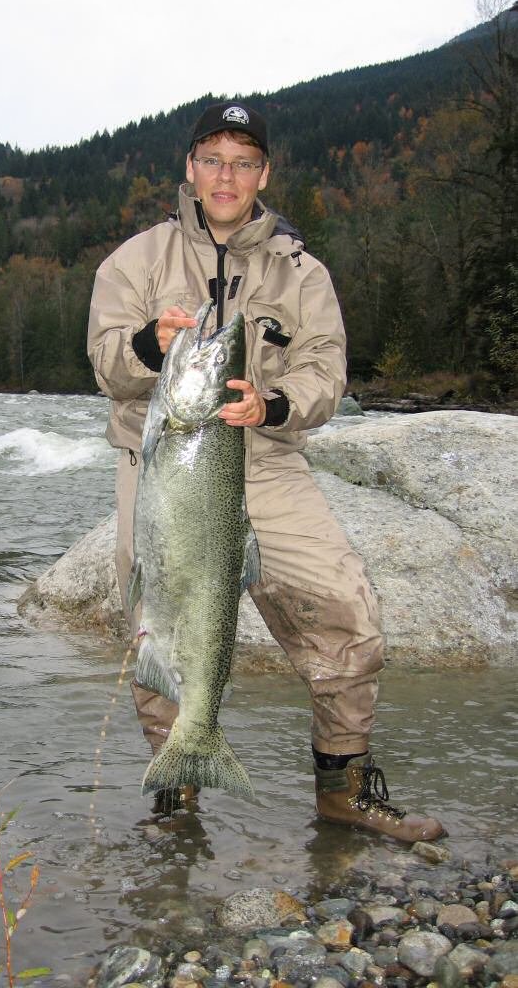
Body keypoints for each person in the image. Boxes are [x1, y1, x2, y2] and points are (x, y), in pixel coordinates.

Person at [86, 102, 445, 842]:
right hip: (164, 464)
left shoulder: (301, 271)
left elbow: (326, 373)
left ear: (264, 174)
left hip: (268, 463)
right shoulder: (134, 260)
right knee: (160, 629)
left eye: (243, 162)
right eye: (213, 158)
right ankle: (177, 794)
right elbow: (105, 367)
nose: (227, 175)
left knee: (348, 613)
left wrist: (273, 403)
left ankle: (343, 790)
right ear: (190, 167)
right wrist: (152, 349)